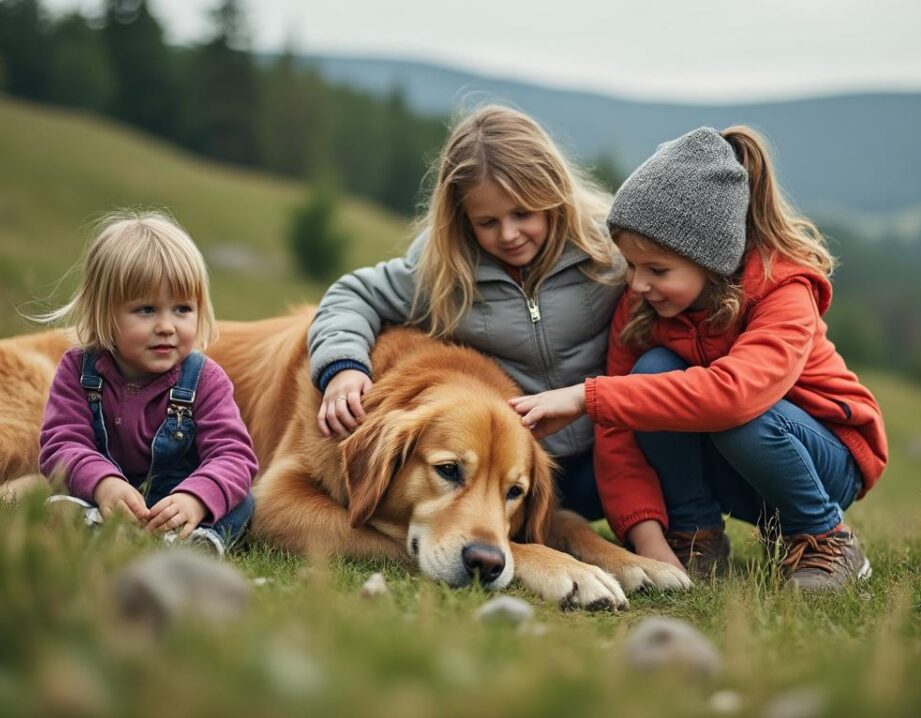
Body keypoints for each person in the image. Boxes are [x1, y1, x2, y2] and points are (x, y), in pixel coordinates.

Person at [510, 127, 889, 591]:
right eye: (631, 266)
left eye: (657, 270)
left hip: (827, 461)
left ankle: (824, 535)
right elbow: (619, 431)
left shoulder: (784, 290)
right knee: (651, 374)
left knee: (734, 415)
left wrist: (585, 397)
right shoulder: (642, 306)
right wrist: (648, 540)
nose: (637, 284)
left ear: (711, 261)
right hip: (737, 464)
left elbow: (734, 397)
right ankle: (695, 535)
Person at [309, 105, 624, 519]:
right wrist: (343, 367)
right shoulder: (444, 273)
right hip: (518, 469)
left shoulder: (605, 250)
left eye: (522, 214)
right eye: (487, 222)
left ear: (553, 195)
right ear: (462, 218)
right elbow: (353, 295)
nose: (509, 234)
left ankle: (687, 528)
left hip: (614, 451)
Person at [37, 211, 258, 556]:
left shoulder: (205, 379)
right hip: (106, 498)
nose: (167, 326)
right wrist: (102, 483)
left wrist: (195, 498)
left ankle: (196, 542)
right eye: (146, 310)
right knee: (60, 493)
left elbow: (234, 455)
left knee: (242, 501)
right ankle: (95, 523)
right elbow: (61, 443)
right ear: (104, 311)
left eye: (182, 309)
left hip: (177, 506)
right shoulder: (78, 371)